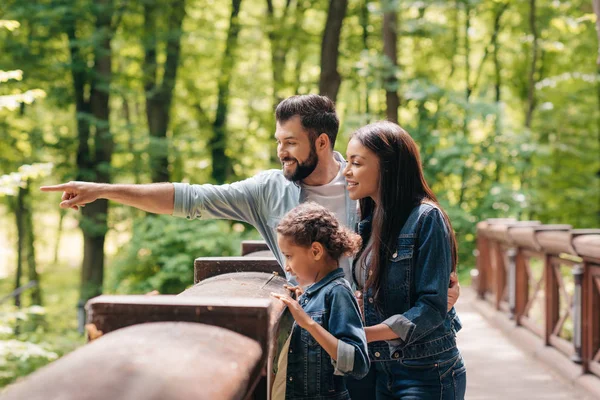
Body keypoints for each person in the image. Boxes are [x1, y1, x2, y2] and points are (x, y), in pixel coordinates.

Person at [40, 94, 460, 305]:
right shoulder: (267, 190)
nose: (282, 152)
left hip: (379, 341)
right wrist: (106, 191)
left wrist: (441, 297)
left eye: (291, 142)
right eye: (279, 141)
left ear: (321, 141)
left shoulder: (365, 181)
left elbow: (418, 238)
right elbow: (188, 198)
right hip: (312, 337)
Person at [343, 121, 466, 399]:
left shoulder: (427, 218)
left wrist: (364, 334)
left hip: (425, 369)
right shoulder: (368, 220)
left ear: (387, 166)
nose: (346, 171)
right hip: (379, 368)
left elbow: (432, 307)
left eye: (356, 163)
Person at [270, 202, 369, 400]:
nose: (287, 267)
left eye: (289, 256)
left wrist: (308, 323)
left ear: (316, 251)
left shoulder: (338, 292)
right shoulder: (312, 294)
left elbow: (358, 363)